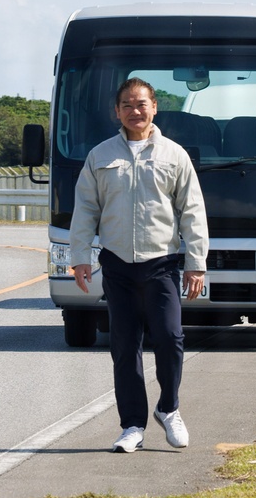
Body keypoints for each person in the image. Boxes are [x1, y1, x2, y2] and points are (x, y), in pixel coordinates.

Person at [69, 77, 209, 453]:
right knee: (124, 345)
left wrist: (196, 263)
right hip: (117, 264)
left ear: (154, 108)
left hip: (161, 263)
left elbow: (192, 211)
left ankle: (169, 408)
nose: (135, 111)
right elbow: (85, 209)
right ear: (117, 111)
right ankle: (132, 424)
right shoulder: (100, 156)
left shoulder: (174, 155)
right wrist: (79, 256)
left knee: (170, 338)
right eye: (127, 105)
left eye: (141, 104)